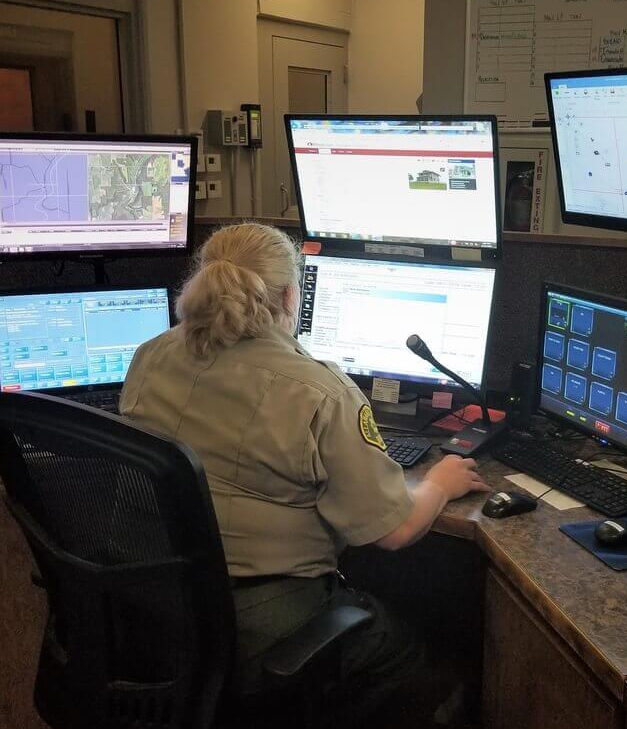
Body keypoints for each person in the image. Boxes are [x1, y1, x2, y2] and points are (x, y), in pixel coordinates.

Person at [120, 222, 490, 704]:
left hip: (151, 603)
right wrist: (439, 482)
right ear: (291, 296)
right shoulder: (320, 392)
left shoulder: (151, 354)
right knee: (406, 646)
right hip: (261, 619)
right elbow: (393, 531)